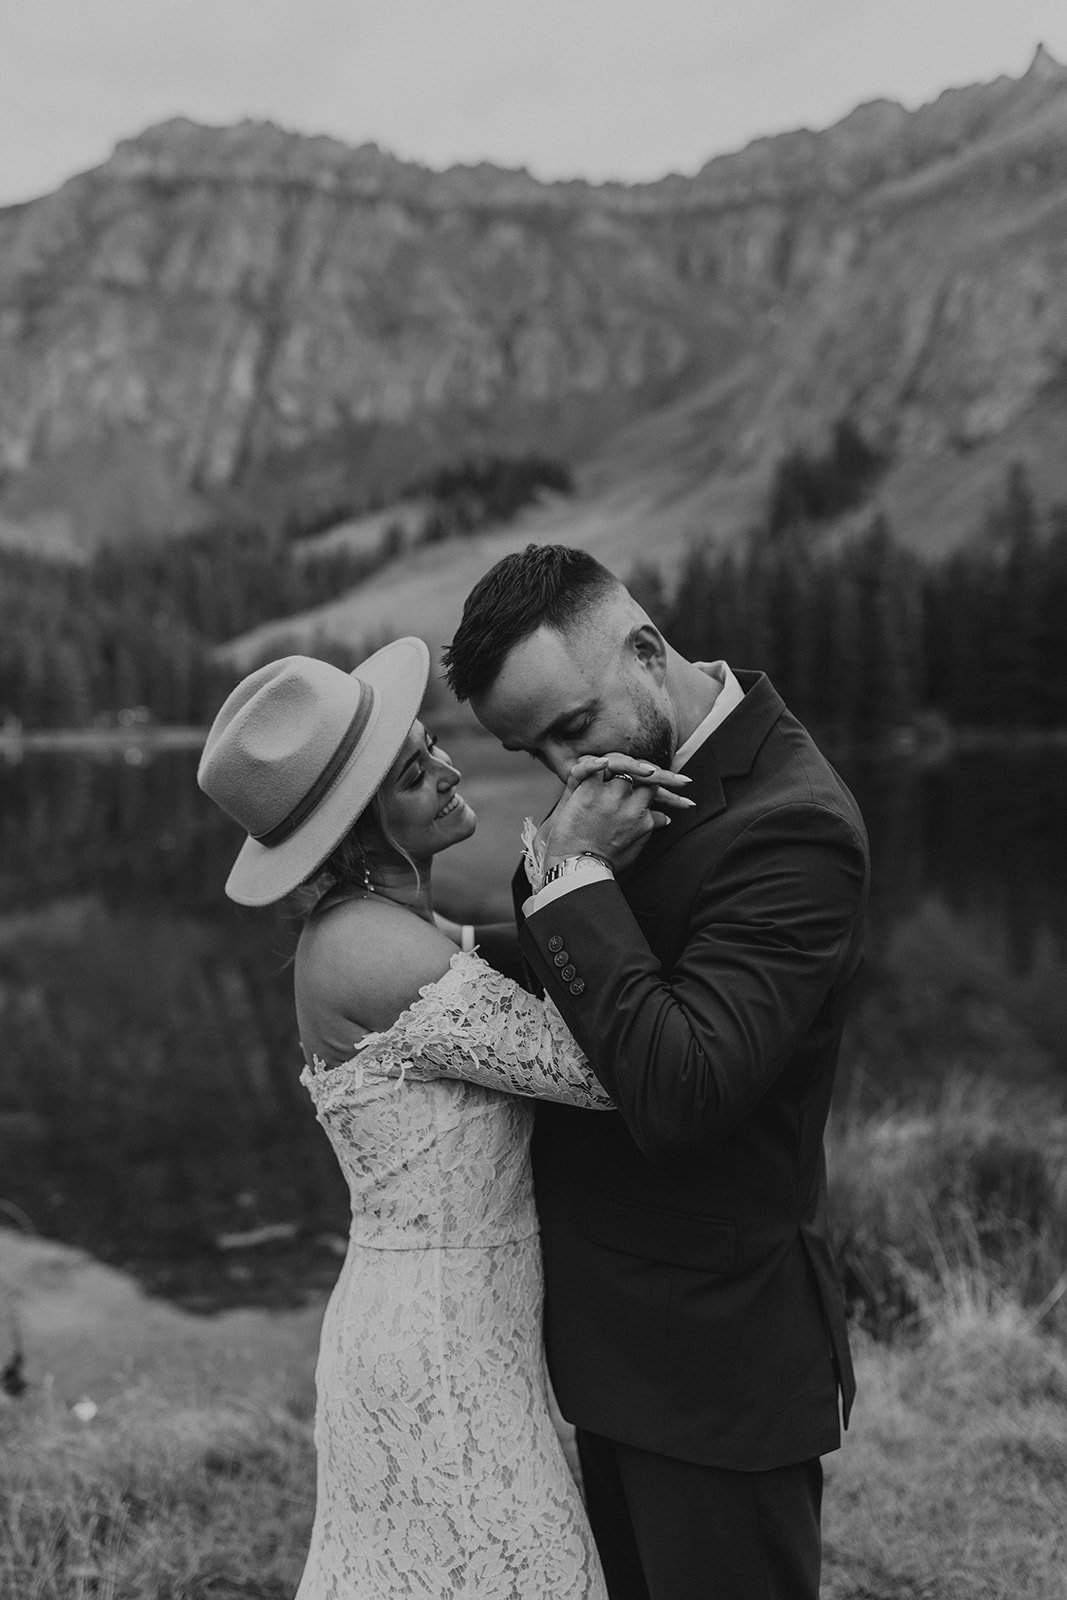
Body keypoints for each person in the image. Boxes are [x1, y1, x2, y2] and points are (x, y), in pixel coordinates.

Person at [196, 639, 690, 1600]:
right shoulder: (375, 951)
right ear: (359, 825)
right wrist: (569, 860)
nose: (451, 768)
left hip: (456, 1326)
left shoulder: (388, 928)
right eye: (419, 771)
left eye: (432, 747)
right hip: (437, 1345)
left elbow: (501, 957)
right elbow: (603, 1071)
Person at [438, 544, 870, 1600]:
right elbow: (569, 961)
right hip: (614, 1351)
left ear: (644, 649)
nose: (563, 777)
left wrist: (567, 870)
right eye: (529, 749)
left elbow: (681, 1089)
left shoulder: (794, 827)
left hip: (718, 1372)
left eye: (571, 728)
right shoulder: (618, 795)